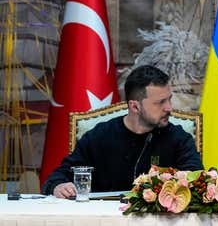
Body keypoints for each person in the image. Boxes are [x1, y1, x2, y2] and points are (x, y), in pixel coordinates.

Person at [42, 65, 203, 198]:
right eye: (160, 102)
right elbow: (58, 177)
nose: (169, 107)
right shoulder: (100, 136)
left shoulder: (178, 138)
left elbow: (196, 179)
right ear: (134, 106)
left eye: (169, 99)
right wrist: (59, 186)